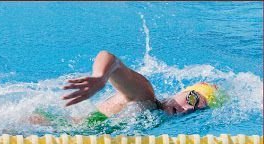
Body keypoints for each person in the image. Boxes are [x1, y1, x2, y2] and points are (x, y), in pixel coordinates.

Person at [29, 51, 219, 125]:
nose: (186, 109)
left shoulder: (153, 118)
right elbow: (111, 59)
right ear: (182, 91)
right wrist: (100, 78)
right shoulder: (145, 94)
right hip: (44, 125)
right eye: (192, 99)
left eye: (194, 111)